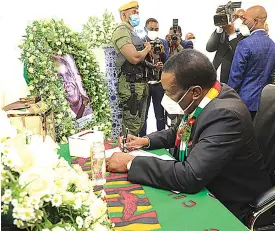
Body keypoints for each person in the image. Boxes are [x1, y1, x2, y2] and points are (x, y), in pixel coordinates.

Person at [106, 49, 271, 224]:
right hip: (210, 183)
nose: (166, 98)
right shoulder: (209, 95)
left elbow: (190, 176)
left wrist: (130, 162)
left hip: (230, 204)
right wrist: (145, 141)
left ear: (195, 92)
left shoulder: (225, 115)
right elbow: (180, 130)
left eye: (170, 92)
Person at [111, 1, 151, 136]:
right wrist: (147, 49)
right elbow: (134, 57)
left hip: (140, 84)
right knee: (131, 126)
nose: (137, 15)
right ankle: (125, 154)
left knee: (138, 124)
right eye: (134, 12)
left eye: (137, 12)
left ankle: (131, 153)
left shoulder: (132, 33)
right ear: (123, 15)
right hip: (131, 85)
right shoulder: (121, 30)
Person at [228, 5, 275, 120]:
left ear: (255, 21)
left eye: (245, 19)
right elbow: (270, 76)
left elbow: (235, 76)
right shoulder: (272, 45)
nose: (242, 22)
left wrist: (228, 98)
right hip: (264, 103)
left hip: (243, 102)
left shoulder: (244, 44)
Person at [139, 18, 169, 136]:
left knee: (160, 115)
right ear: (146, 29)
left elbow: (167, 62)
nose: (154, 31)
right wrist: (151, 63)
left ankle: (161, 140)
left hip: (158, 84)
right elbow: (139, 61)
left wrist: (162, 57)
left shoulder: (162, 42)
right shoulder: (140, 43)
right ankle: (141, 140)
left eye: (156, 29)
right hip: (144, 84)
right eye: (152, 29)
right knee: (143, 115)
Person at [206, 9, 245, 84]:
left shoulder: (244, 35)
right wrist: (219, 28)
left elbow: (239, 54)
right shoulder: (221, 32)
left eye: (242, 17)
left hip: (230, 79)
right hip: (215, 75)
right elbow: (209, 48)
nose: (238, 19)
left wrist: (232, 35)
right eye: (236, 16)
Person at [53, 55, 93, 119]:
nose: (66, 82)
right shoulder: (58, 115)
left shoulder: (92, 103)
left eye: (68, 74)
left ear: (74, 76)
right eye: (59, 78)